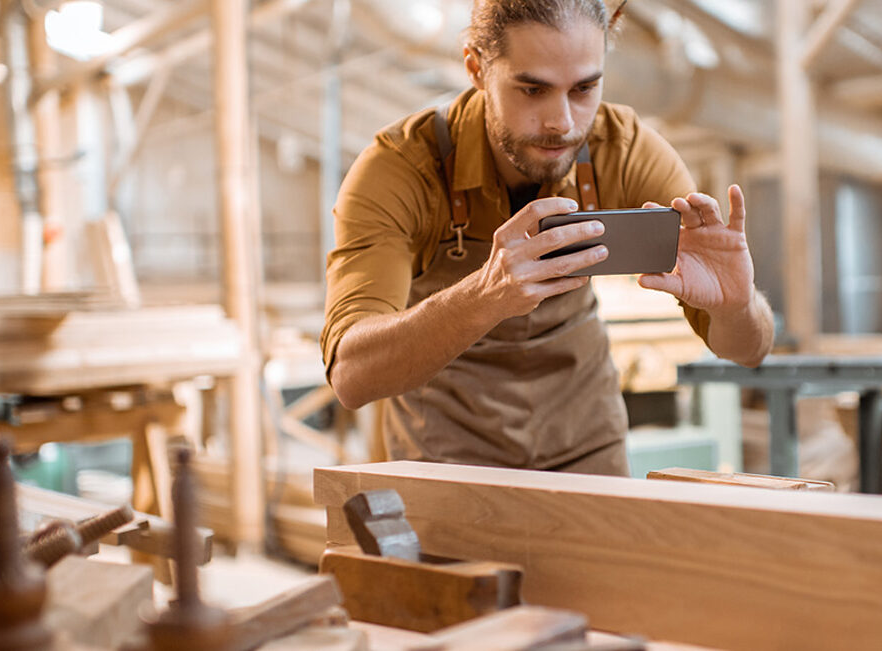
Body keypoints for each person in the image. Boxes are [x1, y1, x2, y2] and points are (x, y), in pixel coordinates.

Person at [320, 0, 774, 476]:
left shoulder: (622, 149)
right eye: (532, 89)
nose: (562, 121)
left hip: (586, 451)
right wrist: (484, 294)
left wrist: (736, 306)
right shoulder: (400, 169)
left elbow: (749, 350)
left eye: (584, 88)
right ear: (476, 67)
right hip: (446, 459)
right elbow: (351, 377)